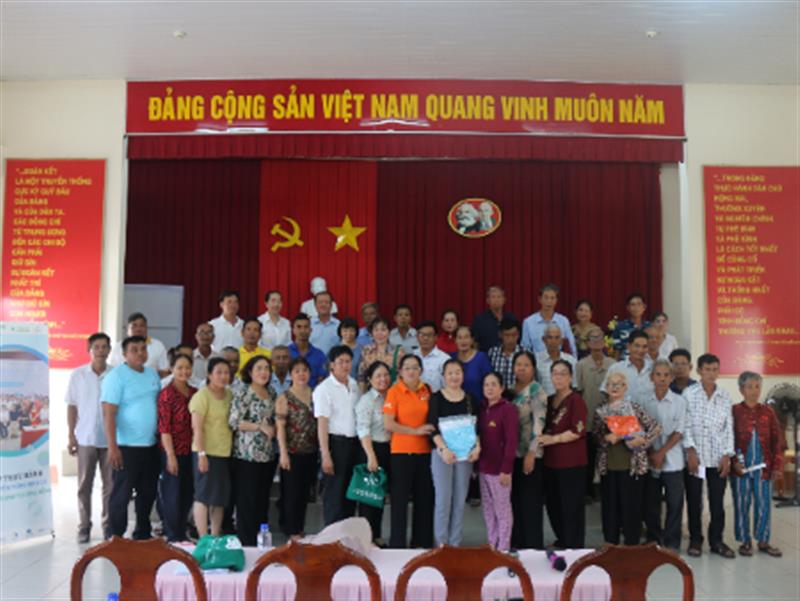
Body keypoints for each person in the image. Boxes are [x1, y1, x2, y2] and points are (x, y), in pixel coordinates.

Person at [101, 335, 162, 539]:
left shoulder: (152, 375)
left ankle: (142, 531)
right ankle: (115, 535)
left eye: (143, 349)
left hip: (151, 446)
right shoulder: (117, 376)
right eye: (134, 350)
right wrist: (112, 447)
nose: (139, 353)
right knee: (121, 494)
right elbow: (109, 413)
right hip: (126, 447)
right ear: (124, 354)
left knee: (147, 493)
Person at [593, 371, 660, 545]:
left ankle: (632, 546)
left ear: (625, 388)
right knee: (610, 509)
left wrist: (641, 440)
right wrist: (606, 438)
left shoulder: (634, 408)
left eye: (619, 384)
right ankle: (610, 545)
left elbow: (655, 427)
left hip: (632, 467)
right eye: (611, 384)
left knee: (632, 509)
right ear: (606, 388)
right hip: (608, 466)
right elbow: (596, 435)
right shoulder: (601, 410)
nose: (615, 387)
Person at [683, 353, 735, 558]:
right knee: (695, 501)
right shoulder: (689, 394)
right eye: (707, 369)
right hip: (696, 457)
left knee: (717, 502)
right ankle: (696, 540)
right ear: (699, 371)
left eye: (715, 369)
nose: (711, 373)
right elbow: (684, 424)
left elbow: (728, 427)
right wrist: (691, 451)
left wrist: (727, 455)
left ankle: (717, 541)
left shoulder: (724, 396)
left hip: (717, 458)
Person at [66, 332, 113, 543]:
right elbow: (72, 406)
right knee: (84, 485)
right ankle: (84, 526)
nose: (101, 351)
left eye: (104, 347)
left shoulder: (116, 374)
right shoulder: (78, 375)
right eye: (97, 347)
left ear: (109, 350)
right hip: (85, 438)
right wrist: (71, 435)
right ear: (89, 350)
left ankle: (108, 527)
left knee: (110, 486)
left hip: (110, 440)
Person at [384, 354, 435, 548]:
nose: (411, 371)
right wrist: (414, 431)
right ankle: (397, 544)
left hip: (425, 453)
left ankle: (421, 543)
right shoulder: (394, 392)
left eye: (415, 367)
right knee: (399, 501)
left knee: (424, 499)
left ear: (421, 371)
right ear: (401, 372)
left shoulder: (427, 390)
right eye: (407, 368)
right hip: (401, 453)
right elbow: (389, 423)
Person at [731, 371, 783, 558]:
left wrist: (777, 465)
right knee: (741, 503)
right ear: (741, 389)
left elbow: (777, 440)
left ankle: (763, 540)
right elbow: (728, 439)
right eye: (749, 386)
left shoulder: (768, 412)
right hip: (740, 468)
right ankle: (745, 541)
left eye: (757, 386)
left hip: (764, 467)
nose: (754, 391)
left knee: (763, 504)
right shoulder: (735, 411)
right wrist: (733, 462)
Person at [428, 359, 480, 547]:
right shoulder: (436, 398)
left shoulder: (470, 399)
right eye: (450, 373)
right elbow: (432, 428)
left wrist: (477, 447)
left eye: (457, 372)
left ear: (463, 375)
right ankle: (441, 545)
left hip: (465, 456)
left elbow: (477, 428)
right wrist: (444, 449)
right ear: (443, 376)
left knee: (459, 501)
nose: (454, 376)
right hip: (443, 455)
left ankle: (455, 544)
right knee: (443, 500)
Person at [229, 355, 277, 546]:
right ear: (250, 372)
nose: (263, 372)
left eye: (266, 368)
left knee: (262, 500)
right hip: (246, 455)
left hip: (267, 455)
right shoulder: (244, 392)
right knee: (246, 501)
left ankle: (260, 541)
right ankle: (246, 541)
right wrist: (259, 427)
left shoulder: (271, 392)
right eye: (259, 368)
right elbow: (233, 421)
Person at [539, 360, 588, 549]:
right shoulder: (550, 400)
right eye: (555, 373)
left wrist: (554, 439)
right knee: (554, 505)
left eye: (563, 373)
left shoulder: (576, 400)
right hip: (551, 462)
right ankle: (562, 539)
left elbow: (577, 430)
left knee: (571, 506)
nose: (558, 377)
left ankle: (574, 545)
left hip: (572, 462)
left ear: (570, 377)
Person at [642, 359, 687, 551]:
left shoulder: (679, 401)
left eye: (666, 375)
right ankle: (653, 538)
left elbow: (679, 431)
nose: (662, 379)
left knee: (674, 502)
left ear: (672, 377)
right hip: (649, 458)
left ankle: (671, 540)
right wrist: (652, 453)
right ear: (652, 377)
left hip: (673, 460)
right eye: (658, 374)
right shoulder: (643, 400)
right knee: (650, 503)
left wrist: (661, 453)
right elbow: (639, 430)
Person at [315, 346, 361, 525]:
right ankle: (332, 539)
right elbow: (322, 424)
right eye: (340, 362)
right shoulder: (324, 389)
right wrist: (325, 455)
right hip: (335, 444)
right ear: (331, 365)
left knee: (350, 493)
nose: (345, 365)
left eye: (348, 361)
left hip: (353, 444)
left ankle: (347, 536)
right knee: (334, 494)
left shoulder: (354, 384)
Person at [190, 357, 233, 537]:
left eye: (226, 373)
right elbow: (197, 428)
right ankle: (203, 538)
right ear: (209, 375)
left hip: (224, 453)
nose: (223, 376)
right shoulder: (202, 396)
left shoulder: (229, 395)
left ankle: (215, 536)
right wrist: (201, 454)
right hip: (205, 452)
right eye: (218, 372)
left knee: (219, 499)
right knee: (203, 496)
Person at [275, 358, 318, 541]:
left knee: (304, 493)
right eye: (297, 371)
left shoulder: (316, 394)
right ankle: (291, 532)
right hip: (292, 452)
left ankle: (299, 528)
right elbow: (280, 427)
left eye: (305, 370)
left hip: (311, 452)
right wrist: (283, 453)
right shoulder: (284, 397)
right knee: (291, 494)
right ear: (291, 375)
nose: (301, 374)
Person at [156, 351, 197, 542]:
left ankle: (182, 531)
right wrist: (170, 455)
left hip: (192, 451)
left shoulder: (195, 393)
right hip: (172, 451)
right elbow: (164, 428)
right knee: (172, 493)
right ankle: (172, 534)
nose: (184, 371)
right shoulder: (166, 394)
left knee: (188, 491)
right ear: (172, 369)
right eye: (179, 368)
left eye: (187, 368)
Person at [510, 351, 547, 549]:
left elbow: (538, 424)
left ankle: (533, 547)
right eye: (518, 364)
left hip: (530, 455)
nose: (521, 368)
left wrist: (532, 453)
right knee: (514, 502)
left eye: (526, 365)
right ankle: (517, 544)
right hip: (511, 455)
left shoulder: (536, 391)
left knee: (530, 504)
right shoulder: (508, 391)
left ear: (533, 369)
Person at [478, 372, 518, 551]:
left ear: (501, 388)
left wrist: (506, 468)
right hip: (483, 468)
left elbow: (512, 440)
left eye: (494, 384)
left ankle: (503, 548)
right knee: (488, 510)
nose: (490, 388)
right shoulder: (482, 409)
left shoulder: (507, 409)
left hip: (500, 470)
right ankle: (492, 545)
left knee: (502, 511)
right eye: (486, 385)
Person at [355, 361, 393, 545]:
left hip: (389, 449)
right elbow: (363, 430)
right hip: (371, 449)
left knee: (380, 496)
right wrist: (371, 455)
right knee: (368, 497)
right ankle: (366, 539)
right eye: (378, 376)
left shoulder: (392, 397)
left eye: (386, 375)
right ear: (369, 379)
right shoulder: (367, 400)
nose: (383, 379)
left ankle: (377, 536)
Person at [575, 326, 615, 501]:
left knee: (608, 454)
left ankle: (607, 488)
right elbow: (578, 392)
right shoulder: (581, 365)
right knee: (589, 456)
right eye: (592, 338)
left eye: (600, 337)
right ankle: (588, 490)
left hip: (610, 418)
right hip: (590, 416)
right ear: (587, 343)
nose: (597, 340)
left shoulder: (613, 364)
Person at [521, 284, 578, 357]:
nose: (549, 301)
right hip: (537, 364)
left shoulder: (563, 321)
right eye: (546, 298)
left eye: (552, 298)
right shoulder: (528, 322)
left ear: (556, 300)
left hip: (560, 364)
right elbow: (526, 348)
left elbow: (571, 346)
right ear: (540, 299)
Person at [108, 312, 169, 377]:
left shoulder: (158, 345)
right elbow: (113, 370)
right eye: (134, 326)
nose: (138, 329)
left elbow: (164, 371)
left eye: (142, 326)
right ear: (127, 329)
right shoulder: (119, 346)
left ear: (146, 328)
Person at [601, 330, 654, 405]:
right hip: (624, 415)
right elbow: (606, 393)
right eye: (637, 346)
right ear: (628, 346)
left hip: (650, 415)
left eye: (644, 346)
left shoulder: (654, 368)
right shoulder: (616, 368)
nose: (641, 350)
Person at [359, 316, 405, 389]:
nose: (379, 333)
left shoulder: (399, 351)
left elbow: (404, 376)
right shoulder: (366, 351)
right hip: (372, 394)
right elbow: (362, 376)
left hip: (393, 393)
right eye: (376, 330)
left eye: (383, 330)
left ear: (389, 332)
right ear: (371, 333)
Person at [453, 326, 493, 410]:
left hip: (479, 407)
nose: (463, 341)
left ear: (472, 340)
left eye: (466, 337)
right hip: (455, 407)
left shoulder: (481, 358)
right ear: (455, 340)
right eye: (460, 338)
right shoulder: (451, 358)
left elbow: (489, 383)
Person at [471, 286, 517, 353]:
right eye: (493, 297)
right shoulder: (479, 320)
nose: (496, 299)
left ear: (504, 300)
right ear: (488, 300)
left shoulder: (511, 318)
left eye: (499, 297)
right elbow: (475, 343)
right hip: (486, 358)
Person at [535, 324, 577, 396]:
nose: (553, 341)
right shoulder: (536, 360)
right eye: (550, 337)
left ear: (561, 340)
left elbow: (575, 386)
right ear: (544, 340)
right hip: (543, 403)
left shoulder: (571, 360)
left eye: (557, 338)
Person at [288, 313, 328, 387]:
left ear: (310, 330)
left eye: (306, 327)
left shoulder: (319, 354)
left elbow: (321, 380)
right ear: (293, 330)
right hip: (290, 395)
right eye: (299, 327)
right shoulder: (286, 353)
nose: (302, 330)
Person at [611, 292, 650, 359]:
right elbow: (617, 351)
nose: (636, 307)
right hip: (625, 364)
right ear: (628, 308)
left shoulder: (650, 327)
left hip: (646, 363)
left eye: (639, 304)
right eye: (633, 304)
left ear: (644, 307)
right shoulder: (620, 327)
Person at [487, 318, 523, 389]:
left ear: (518, 335)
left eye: (513, 335)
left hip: (519, 397)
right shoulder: (492, 353)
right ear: (500, 335)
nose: (510, 339)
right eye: (507, 335)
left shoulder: (524, 353)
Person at [414, 321, 449, 393]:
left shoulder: (444, 359)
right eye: (422, 335)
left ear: (436, 337)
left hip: (435, 401)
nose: (425, 338)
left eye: (429, 335)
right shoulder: (412, 356)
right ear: (417, 337)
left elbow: (448, 387)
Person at [309, 291, 341, 355]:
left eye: (326, 302)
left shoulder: (339, 325)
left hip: (332, 363)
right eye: (320, 302)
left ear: (331, 305)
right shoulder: (308, 324)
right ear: (315, 305)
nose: (323, 305)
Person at [191, 322, 218, 388]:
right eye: (202, 333)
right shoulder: (190, 357)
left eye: (209, 333)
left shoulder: (218, 358)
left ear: (214, 337)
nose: (205, 336)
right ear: (196, 336)